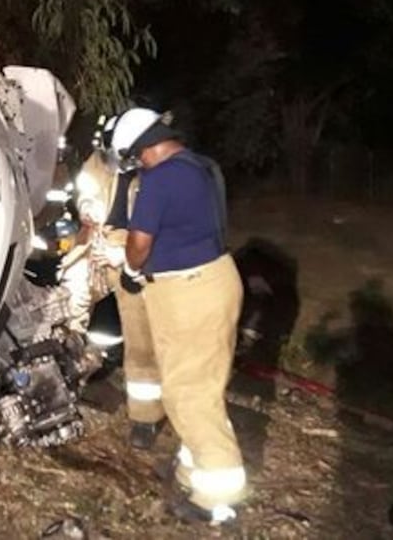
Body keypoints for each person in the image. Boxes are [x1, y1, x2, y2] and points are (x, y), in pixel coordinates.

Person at [110, 109, 246, 525]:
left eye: (134, 157)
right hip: (214, 278)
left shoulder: (160, 178)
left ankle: (218, 499)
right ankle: (193, 469)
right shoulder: (198, 166)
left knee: (189, 395)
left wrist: (130, 269)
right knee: (198, 385)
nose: (137, 165)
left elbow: (139, 242)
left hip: (190, 291)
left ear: (142, 148)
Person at [59, 109, 167, 448]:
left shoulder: (158, 173)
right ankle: (63, 378)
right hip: (95, 240)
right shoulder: (99, 161)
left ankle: (146, 417)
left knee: (139, 332)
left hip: (134, 249)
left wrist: (125, 255)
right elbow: (87, 188)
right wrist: (87, 207)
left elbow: (155, 229)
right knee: (67, 303)